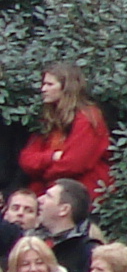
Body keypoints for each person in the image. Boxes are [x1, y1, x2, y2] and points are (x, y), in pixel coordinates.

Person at [19, 63, 113, 205]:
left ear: (66, 87)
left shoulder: (88, 117)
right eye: (43, 84)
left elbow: (73, 164)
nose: (43, 89)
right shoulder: (50, 119)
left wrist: (43, 173)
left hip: (81, 198)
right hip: (50, 196)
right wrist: (51, 157)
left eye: (49, 84)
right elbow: (26, 160)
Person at [37, 179, 95, 272]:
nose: (39, 199)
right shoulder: (30, 239)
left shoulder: (87, 250)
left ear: (64, 209)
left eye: (48, 196)